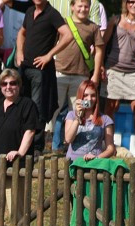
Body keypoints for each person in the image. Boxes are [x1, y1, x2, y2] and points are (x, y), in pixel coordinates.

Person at [14, 0, 73, 152]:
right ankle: (22, 144)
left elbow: (68, 35)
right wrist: (19, 52)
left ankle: (36, 148)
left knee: (37, 109)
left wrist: (49, 55)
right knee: (23, 105)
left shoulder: (52, 13)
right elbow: (22, 32)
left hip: (40, 70)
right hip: (24, 67)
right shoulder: (29, 11)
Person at [102, 0, 135, 147]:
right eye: (131, 1)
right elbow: (103, 43)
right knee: (111, 107)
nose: (134, 5)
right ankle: (108, 145)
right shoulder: (115, 19)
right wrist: (100, 66)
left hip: (132, 71)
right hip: (113, 69)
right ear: (126, 3)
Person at [51, 0, 103, 146]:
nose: (83, 9)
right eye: (80, 6)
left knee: (79, 110)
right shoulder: (62, 23)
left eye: (86, 6)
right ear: (72, 7)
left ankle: (74, 143)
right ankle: (50, 143)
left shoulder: (93, 27)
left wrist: (96, 75)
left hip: (81, 75)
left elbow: (99, 51)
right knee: (54, 110)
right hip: (59, 72)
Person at [64, 79, 115, 161]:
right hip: (73, 162)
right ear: (80, 96)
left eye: (93, 95)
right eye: (86, 95)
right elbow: (68, 139)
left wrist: (97, 158)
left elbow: (111, 148)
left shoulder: (105, 119)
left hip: (94, 164)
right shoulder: (71, 115)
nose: (89, 99)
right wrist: (78, 117)